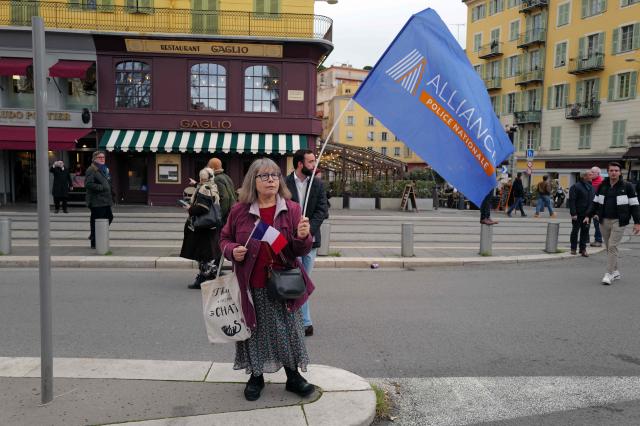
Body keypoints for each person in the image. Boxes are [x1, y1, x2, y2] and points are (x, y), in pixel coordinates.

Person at [219, 158, 315, 402]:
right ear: (254, 180)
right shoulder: (239, 211)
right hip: (252, 285)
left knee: (289, 331)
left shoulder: (292, 209)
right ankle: (256, 377)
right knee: (254, 331)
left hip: (284, 284)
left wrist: (304, 237)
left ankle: (293, 377)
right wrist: (232, 250)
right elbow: (224, 239)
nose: (271, 179)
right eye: (264, 176)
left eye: (274, 175)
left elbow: (298, 251)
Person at [285, 149, 329, 337]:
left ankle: (304, 321)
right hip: (289, 242)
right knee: (295, 281)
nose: (314, 165)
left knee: (302, 282)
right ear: (300, 164)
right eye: (311, 162)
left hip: (310, 242)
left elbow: (323, 211)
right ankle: (303, 322)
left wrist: (308, 230)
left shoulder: (317, 185)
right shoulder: (284, 183)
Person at [587, 162, 640, 285]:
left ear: (620, 172)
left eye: (616, 170)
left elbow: (635, 205)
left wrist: (637, 223)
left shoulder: (627, 186)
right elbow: (595, 202)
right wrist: (588, 215)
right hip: (604, 220)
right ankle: (616, 271)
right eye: (611, 170)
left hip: (619, 221)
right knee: (609, 247)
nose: (614, 172)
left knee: (612, 246)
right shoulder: (602, 186)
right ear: (608, 172)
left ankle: (609, 273)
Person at [180, 168, 221, 290]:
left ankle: (202, 279)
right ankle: (212, 275)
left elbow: (203, 207)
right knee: (208, 253)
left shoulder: (204, 189)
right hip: (210, 226)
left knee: (202, 253)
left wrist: (190, 209)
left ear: (202, 178)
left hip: (202, 226)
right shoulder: (212, 186)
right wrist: (196, 184)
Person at [85, 151, 114, 249]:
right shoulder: (92, 169)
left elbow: (107, 182)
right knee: (97, 221)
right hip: (96, 201)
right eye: (100, 157)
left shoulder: (104, 169)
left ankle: (95, 236)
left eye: (103, 157)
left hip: (105, 200)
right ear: (94, 159)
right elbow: (88, 184)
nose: (102, 159)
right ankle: (94, 241)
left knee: (109, 217)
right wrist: (102, 187)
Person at [568, 170, 594, 257]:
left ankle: (583, 249)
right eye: (590, 175)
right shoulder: (575, 187)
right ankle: (573, 248)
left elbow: (592, 202)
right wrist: (573, 213)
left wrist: (591, 214)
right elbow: (572, 201)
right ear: (584, 176)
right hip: (577, 214)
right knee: (575, 231)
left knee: (585, 232)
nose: (592, 176)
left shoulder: (591, 187)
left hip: (587, 214)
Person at [206, 158, 236, 225]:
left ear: (212, 168)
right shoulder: (226, 177)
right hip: (231, 212)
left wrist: (219, 216)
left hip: (226, 216)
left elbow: (225, 198)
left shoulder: (217, 179)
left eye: (208, 166)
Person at [589, 166, 604, 247]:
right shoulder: (590, 182)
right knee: (586, 223)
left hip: (597, 208)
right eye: (591, 171)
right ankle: (585, 239)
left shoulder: (601, 183)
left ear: (598, 174)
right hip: (589, 206)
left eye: (593, 172)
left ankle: (598, 240)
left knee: (597, 224)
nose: (591, 173)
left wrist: (598, 211)